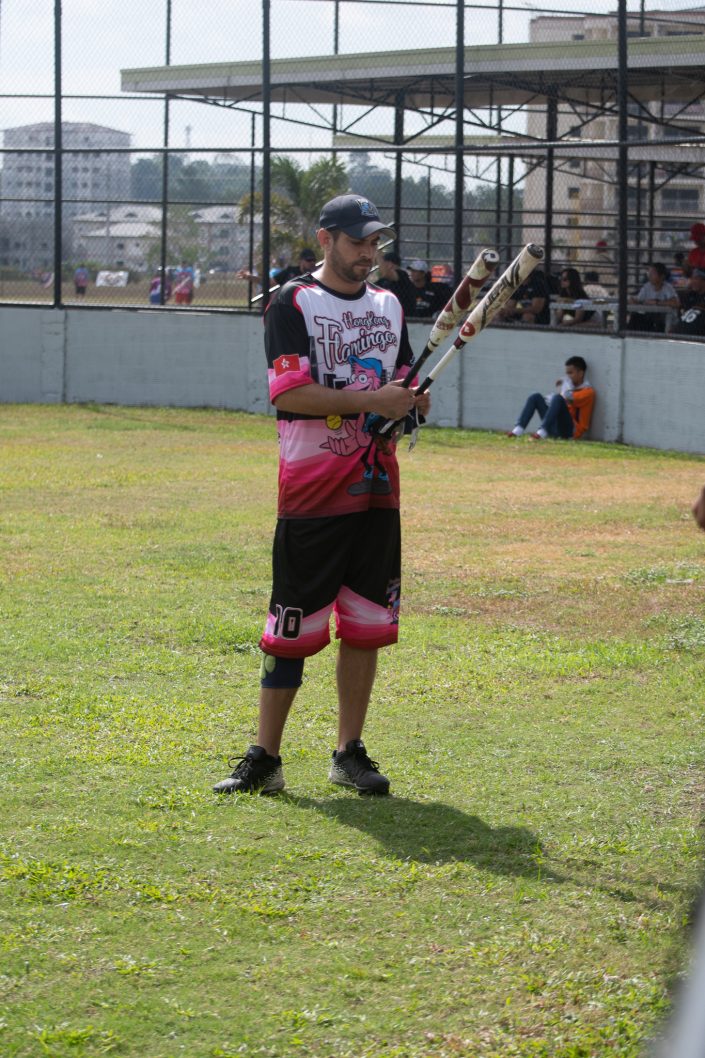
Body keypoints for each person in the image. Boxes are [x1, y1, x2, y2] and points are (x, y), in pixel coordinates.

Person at [213, 193, 430, 797]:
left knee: (365, 624)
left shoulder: (389, 305)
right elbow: (289, 394)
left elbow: (401, 384)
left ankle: (348, 751)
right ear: (326, 239)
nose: (368, 252)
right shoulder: (292, 302)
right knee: (290, 626)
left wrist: (410, 404)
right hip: (312, 494)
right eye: (357, 241)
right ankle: (265, 757)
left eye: (374, 242)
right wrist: (374, 399)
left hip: (377, 491)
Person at [506, 355, 595, 441]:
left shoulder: (588, 392)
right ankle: (518, 430)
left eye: (570, 373)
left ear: (581, 373)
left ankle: (542, 431)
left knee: (557, 398)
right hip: (556, 427)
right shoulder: (569, 387)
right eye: (567, 373)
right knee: (535, 396)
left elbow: (568, 398)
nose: (568, 376)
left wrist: (565, 383)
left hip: (571, 431)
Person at [628, 262, 679, 333]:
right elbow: (639, 300)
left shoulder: (668, 287)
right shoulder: (647, 286)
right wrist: (634, 300)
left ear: (662, 276)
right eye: (649, 273)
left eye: (653, 273)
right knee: (635, 317)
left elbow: (676, 303)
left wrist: (656, 302)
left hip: (664, 322)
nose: (650, 275)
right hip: (651, 320)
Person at [374, 250, 416, 316]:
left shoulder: (402, 275)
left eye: (385, 263)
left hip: (404, 316)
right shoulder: (382, 281)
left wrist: (378, 255)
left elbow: (385, 273)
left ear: (391, 264)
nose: (382, 265)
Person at [672, 269, 705, 338]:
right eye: (692, 278)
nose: (693, 281)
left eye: (696, 279)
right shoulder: (689, 295)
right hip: (682, 331)